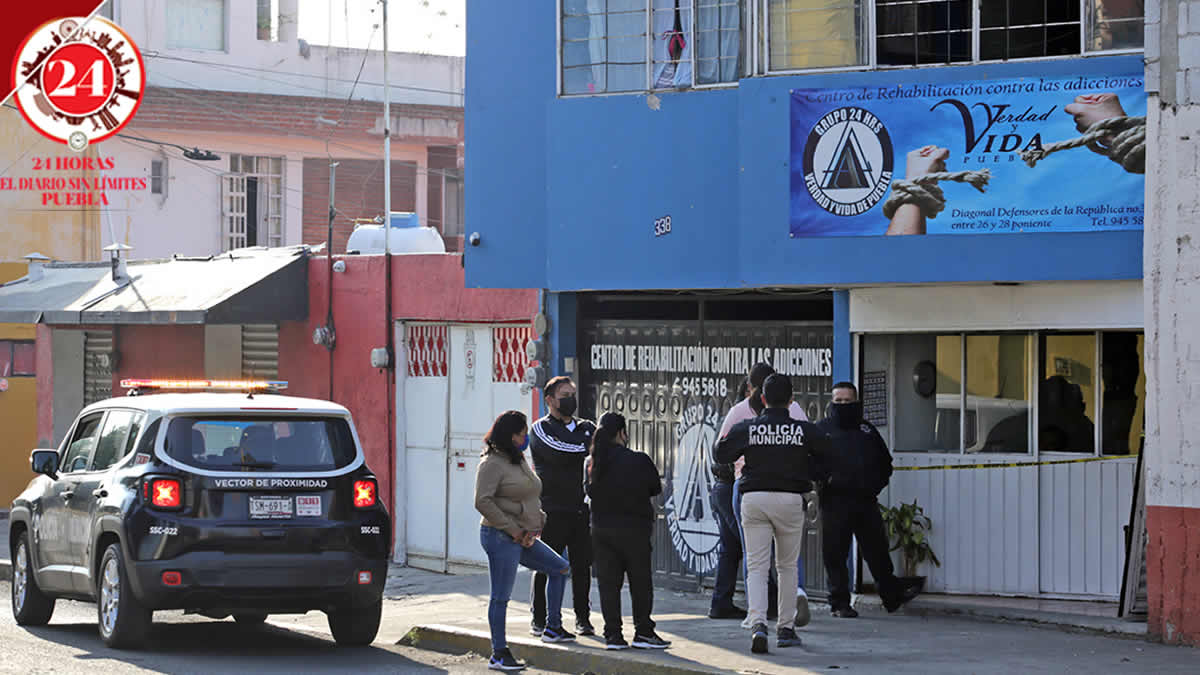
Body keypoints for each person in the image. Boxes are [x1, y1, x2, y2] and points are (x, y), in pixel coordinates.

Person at [716, 374, 830, 654]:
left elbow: (720, 452)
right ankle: (786, 629)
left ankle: (757, 625)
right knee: (787, 566)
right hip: (790, 499)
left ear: (762, 399)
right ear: (792, 400)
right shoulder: (804, 430)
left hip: (753, 499)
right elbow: (829, 456)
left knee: (756, 565)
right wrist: (809, 472)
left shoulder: (748, 427)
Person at [474, 410, 575, 672]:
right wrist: (514, 530)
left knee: (560, 567)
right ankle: (499, 653)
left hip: (524, 535)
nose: (525, 437)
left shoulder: (517, 459)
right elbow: (482, 501)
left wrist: (534, 522)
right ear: (510, 435)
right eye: (521, 433)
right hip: (499, 536)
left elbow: (529, 493)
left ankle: (553, 627)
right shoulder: (491, 463)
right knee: (501, 597)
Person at [815, 382, 922, 618]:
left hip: (865, 501)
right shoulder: (821, 429)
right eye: (838, 401)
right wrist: (827, 481)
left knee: (877, 551)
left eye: (847, 401)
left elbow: (885, 464)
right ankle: (840, 603)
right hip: (835, 502)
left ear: (856, 402)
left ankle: (891, 596)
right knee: (835, 554)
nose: (842, 405)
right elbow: (810, 464)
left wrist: (873, 486)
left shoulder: (867, 430)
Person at [585, 412, 672, 650]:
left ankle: (613, 635)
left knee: (608, 584)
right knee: (640, 582)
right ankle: (643, 632)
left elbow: (590, 492)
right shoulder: (639, 460)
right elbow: (655, 488)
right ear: (622, 433)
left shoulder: (592, 463)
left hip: (601, 531)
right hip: (635, 530)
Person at [528, 376, 596, 637]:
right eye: (564, 395)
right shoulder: (540, 429)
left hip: (582, 508)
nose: (570, 400)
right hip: (552, 510)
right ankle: (539, 618)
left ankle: (583, 618)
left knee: (582, 566)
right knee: (547, 565)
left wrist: (588, 450)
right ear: (549, 400)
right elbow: (559, 451)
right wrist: (586, 450)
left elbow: (599, 450)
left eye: (572, 394)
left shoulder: (587, 426)